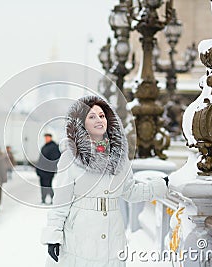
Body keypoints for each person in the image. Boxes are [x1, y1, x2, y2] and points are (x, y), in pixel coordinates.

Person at [41, 96, 168, 266]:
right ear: (81, 123)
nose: (99, 120)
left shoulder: (119, 157)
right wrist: (53, 236)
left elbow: (130, 191)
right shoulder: (70, 158)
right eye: (92, 117)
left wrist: (162, 185)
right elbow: (61, 202)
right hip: (80, 236)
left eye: (101, 116)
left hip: (113, 236)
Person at [36, 133, 61, 204]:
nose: (46, 139)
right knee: (43, 185)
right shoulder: (44, 147)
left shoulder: (54, 147)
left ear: (50, 138)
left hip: (48, 171)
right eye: (45, 137)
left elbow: (55, 159)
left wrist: (51, 169)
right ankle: (43, 199)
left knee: (48, 185)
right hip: (42, 171)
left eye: (47, 137)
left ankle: (53, 199)